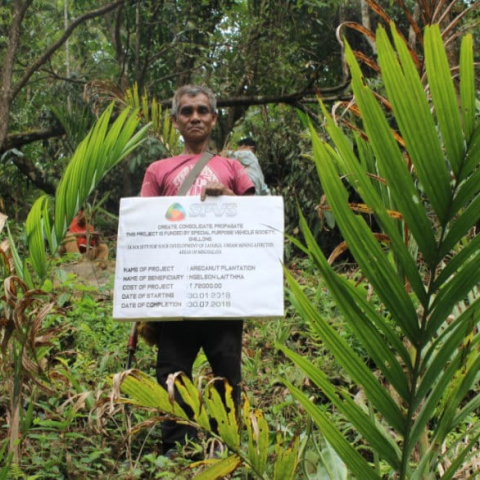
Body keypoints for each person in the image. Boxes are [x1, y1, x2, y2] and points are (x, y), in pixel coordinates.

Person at [140, 85, 255, 457]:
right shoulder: (158, 170)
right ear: (175, 120)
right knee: (173, 373)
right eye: (187, 111)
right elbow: (144, 224)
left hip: (222, 290)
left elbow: (257, 220)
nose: (195, 117)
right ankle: (177, 449)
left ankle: (226, 445)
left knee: (227, 372)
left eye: (202, 110)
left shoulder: (233, 168)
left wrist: (230, 198)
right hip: (177, 293)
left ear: (214, 118)